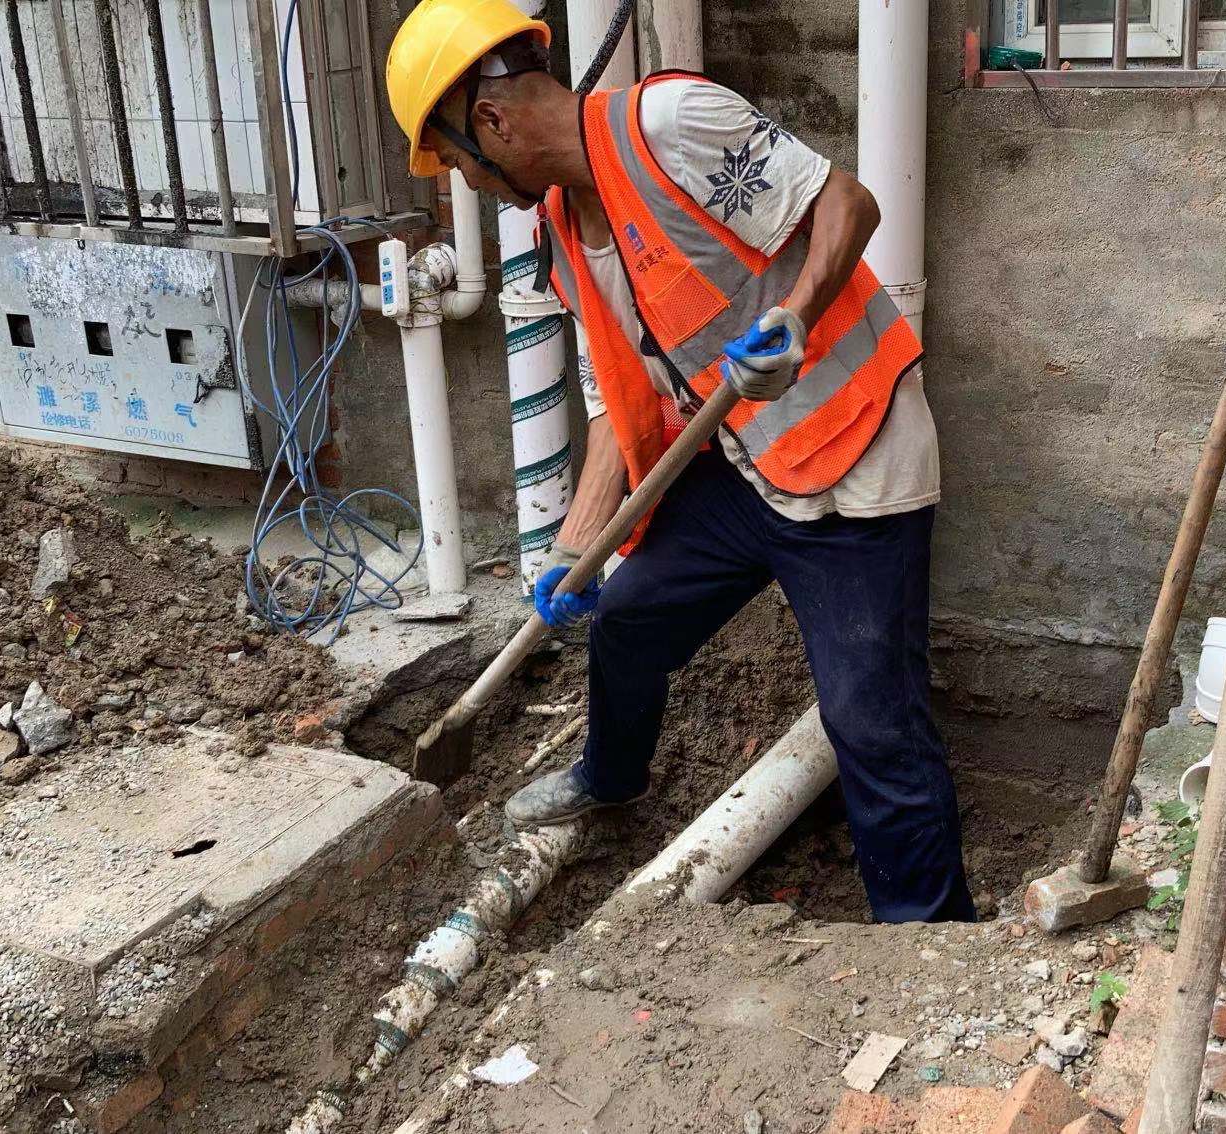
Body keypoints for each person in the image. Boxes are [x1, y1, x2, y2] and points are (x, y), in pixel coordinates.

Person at [385, 0, 973, 923]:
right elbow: (624, 406)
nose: (470, 184)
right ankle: (610, 782)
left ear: (492, 122)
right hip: (748, 469)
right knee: (627, 623)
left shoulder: (669, 124)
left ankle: (928, 935)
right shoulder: (563, 235)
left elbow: (849, 204)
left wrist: (796, 318)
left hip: (856, 460)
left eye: (459, 164)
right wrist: (574, 547)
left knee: (872, 724)